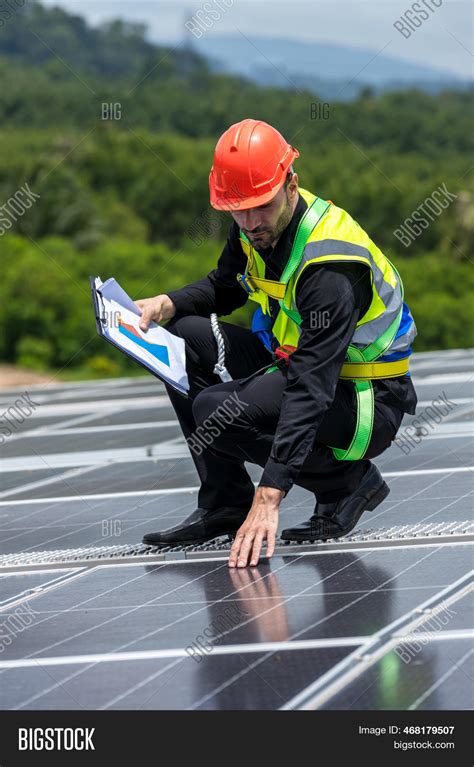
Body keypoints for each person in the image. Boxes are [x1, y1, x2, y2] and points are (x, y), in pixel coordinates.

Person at [135, 118, 418, 568]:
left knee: (215, 410)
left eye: (260, 207)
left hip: (362, 398)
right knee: (182, 337)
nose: (249, 222)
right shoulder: (252, 223)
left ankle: (347, 482)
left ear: (291, 184)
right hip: (299, 365)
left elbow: (311, 387)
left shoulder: (329, 266)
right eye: (237, 210)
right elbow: (226, 287)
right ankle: (224, 502)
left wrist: (270, 496)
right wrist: (167, 304)